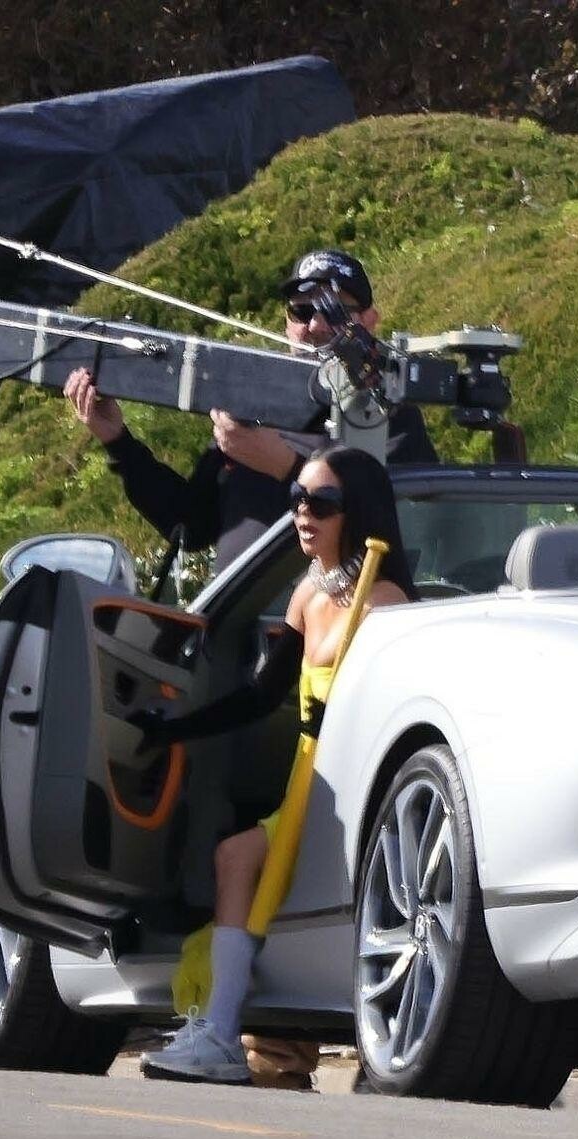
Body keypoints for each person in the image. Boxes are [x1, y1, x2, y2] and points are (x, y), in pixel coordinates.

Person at [134, 445, 416, 1083]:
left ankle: (229, 1033)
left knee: (241, 859)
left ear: (357, 512)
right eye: (297, 499)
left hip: (357, 781)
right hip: (308, 775)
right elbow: (261, 695)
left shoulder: (385, 600)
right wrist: (176, 730)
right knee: (235, 856)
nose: (303, 514)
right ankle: (221, 1032)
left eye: (322, 502)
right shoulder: (310, 593)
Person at [63, 248, 435, 570]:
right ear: (287, 322)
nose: (316, 324)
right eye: (301, 311)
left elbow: (395, 525)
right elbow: (192, 526)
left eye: (336, 312)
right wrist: (118, 441)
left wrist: (288, 468)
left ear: (369, 321)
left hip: (332, 620)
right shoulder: (257, 402)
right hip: (237, 622)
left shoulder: (388, 413)